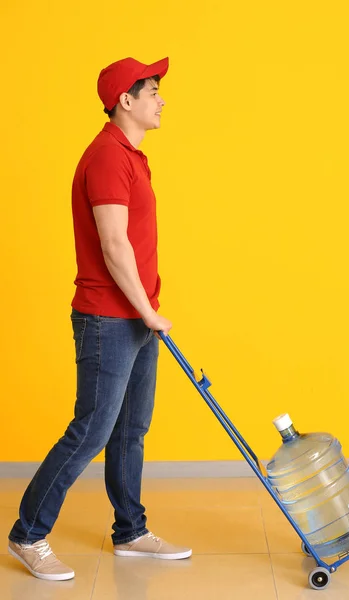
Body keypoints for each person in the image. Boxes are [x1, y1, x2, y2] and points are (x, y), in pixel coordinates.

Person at [8, 56, 192, 581]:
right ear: (125, 101)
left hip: (135, 316)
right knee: (91, 429)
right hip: (109, 319)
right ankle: (28, 534)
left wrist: (147, 315)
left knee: (131, 430)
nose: (161, 99)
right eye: (153, 91)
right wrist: (148, 313)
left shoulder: (131, 156)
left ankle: (130, 531)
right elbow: (113, 247)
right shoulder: (108, 157)